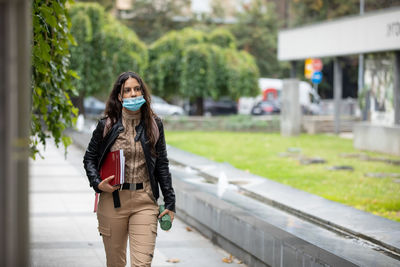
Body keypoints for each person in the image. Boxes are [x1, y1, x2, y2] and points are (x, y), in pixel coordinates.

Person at [83, 71, 176, 267]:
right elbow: (90, 158)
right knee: (115, 263)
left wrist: (170, 202)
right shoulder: (107, 125)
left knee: (142, 264)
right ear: (119, 96)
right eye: (127, 90)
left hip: (145, 201)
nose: (133, 94)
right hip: (113, 200)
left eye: (137, 89)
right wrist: (98, 184)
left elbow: (162, 164)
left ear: (142, 92)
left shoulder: (154, 124)